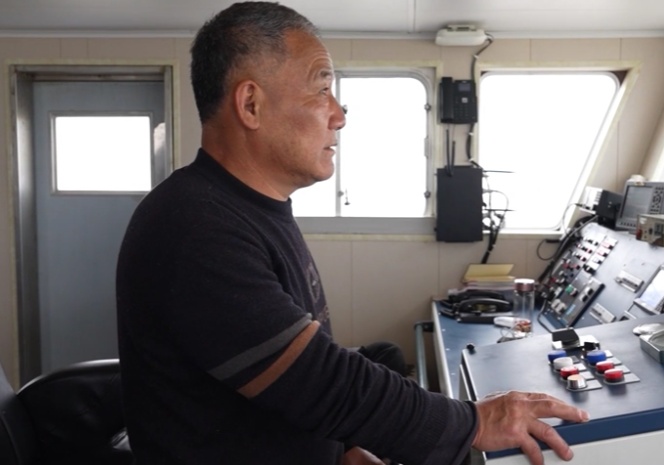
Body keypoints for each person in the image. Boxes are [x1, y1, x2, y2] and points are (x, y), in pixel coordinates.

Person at [115, 2, 589, 465]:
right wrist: (470, 423)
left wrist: (339, 449)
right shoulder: (193, 224)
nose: (339, 114)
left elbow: (280, 374)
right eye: (322, 89)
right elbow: (315, 380)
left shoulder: (249, 211)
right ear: (251, 104)